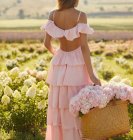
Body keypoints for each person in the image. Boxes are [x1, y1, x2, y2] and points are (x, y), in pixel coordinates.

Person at [40, 0, 101, 139]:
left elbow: (46, 43)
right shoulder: (80, 16)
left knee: (61, 104)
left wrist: (57, 55)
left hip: (60, 61)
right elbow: (84, 46)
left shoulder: (53, 15)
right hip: (77, 62)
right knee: (78, 103)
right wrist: (92, 75)